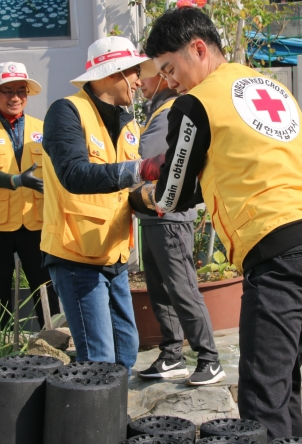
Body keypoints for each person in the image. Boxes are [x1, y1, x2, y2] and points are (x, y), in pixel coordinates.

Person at [134, 8, 302, 440]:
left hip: (279, 257)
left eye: (170, 69)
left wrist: (145, 189)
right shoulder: (270, 87)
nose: (169, 82)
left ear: (198, 48)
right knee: (283, 384)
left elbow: (174, 193)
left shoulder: (197, 101)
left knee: (260, 400)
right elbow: (237, 166)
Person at [41, 36, 162, 370]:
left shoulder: (128, 124)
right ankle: (96, 423)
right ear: (114, 73)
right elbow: (75, 174)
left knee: (126, 351)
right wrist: (141, 169)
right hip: (76, 254)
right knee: (99, 358)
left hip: (114, 254)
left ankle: (111, 417)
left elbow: (126, 189)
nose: (140, 80)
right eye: (135, 71)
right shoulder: (65, 112)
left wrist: (153, 197)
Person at [135, 73, 224, 385]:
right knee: (160, 290)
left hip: (168, 217)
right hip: (152, 217)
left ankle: (209, 359)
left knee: (182, 288)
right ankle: (172, 356)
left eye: (142, 73)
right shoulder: (154, 112)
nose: (137, 81)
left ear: (161, 77)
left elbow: (162, 167)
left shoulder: (170, 110)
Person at [0, 62, 61, 327]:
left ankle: (52, 342)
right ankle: (2, 343)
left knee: (45, 287)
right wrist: (18, 180)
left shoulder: (44, 129)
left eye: (21, 91)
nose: (15, 97)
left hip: (37, 222)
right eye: (7, 91)